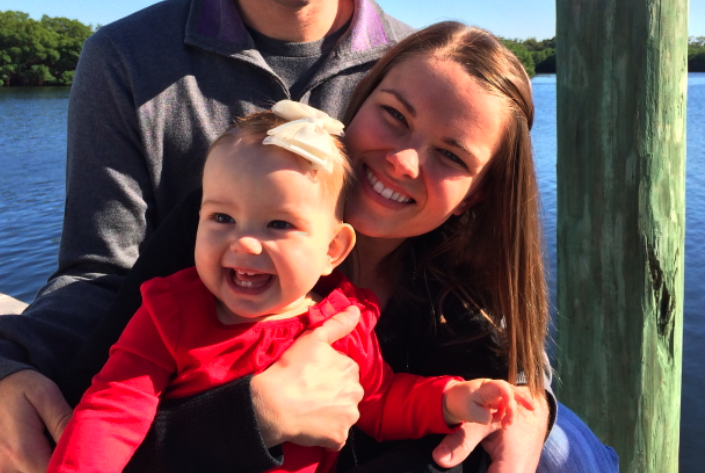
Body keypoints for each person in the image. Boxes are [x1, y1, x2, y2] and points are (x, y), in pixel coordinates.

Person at [0, 0, 613, 472]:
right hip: (186, 391)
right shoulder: (126, 59)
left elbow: (486, 268)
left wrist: (525, 396)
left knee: (567, 451)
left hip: (374, 386)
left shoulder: (418, 75)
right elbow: (97, 276)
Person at [57, 23, 618, 473]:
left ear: (477, 197)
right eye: (394, 116)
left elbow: (391, 403)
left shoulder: (453, 306)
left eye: (451, 156)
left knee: (570, 450)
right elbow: (97, 404)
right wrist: (255, 416)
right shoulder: (210, 239)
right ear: (357, 102)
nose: (403, 161)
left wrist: (505, 405)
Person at [48, 101, 532, 473]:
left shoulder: (343, 321)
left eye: (278, 224)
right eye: (221, 217)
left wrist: (452, 399)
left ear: (333, 250)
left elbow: (379, 402)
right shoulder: (169, 313)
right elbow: (111, 411)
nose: (244, 242)